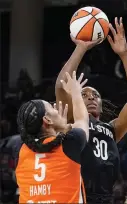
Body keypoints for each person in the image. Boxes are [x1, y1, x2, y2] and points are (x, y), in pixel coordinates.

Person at [56, 17, 127, 203]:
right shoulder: (73, 121)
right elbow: (61, 86)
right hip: (76, 194)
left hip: (105, 198)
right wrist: (80, 47)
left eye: (95, 95)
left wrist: (125, 54)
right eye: (85, 94)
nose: (90, 97)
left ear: (102, 105)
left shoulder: (112, 129)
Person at [13, 72, 89, 203]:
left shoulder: (23, 151)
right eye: (52, 107)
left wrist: (60, 130)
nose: (56, 108)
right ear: (47, 120)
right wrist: (76, 92)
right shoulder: (70, 143)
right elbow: (82, 120)